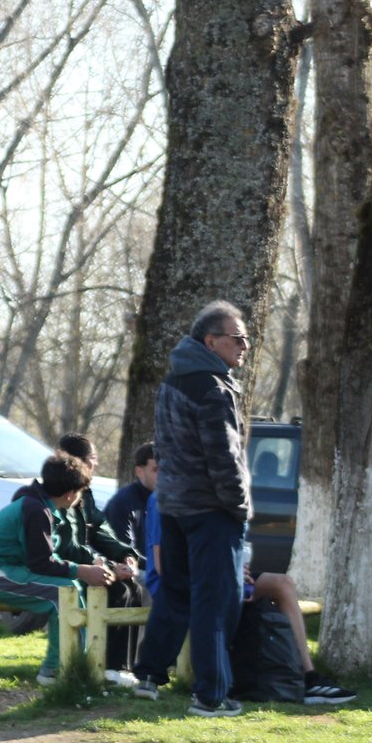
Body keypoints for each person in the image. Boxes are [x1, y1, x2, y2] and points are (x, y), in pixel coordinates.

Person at [131, 301, 252, 718]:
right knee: (216, 601)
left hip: (173, 505)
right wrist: (238, 506)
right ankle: (211, 696)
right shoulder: (214, 388)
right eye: (237, 338)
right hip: (210, 508)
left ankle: (148, 674)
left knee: (177, 592)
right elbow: (224, 457)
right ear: (211, 341)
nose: (245, 346)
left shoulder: (174, 380)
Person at [142, 492, 355, 705]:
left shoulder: (216, 496)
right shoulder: (166, 498)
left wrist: (237, 567)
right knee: (219, 600)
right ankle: (216, 682)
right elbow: (166, 567)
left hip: (220, 574)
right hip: (188, 583)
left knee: (283, 584)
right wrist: (228, 571)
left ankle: (308, 676)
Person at [0, 451, 115, 686]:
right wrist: (83, 571)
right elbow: (41, 562)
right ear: (70, 494)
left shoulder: (39, 505)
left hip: (6, 568)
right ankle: (54, 670)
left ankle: (79, 663)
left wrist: (88, 564)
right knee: (61, 594)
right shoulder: (36, 510)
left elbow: (46, 555)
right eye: (81, 493)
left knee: (69, 588)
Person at [56, 433, 145, 688]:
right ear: (80, 462)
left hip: (88, 564)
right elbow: (67, 546)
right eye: (94, 459)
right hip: (64, 569)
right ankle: (106, 667)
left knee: (134, 588)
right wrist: (105, 565)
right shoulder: (61, 493)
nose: (96, 464)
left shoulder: (87, 495)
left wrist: (127, 556)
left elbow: (102, 533)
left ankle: (125, 667)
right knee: (116, 589)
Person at [103, 441, 157, 556]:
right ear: (139, 471)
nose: (162, 475)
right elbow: (124, 551)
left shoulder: (169, 502)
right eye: (155, 470)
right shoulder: (123, 502)